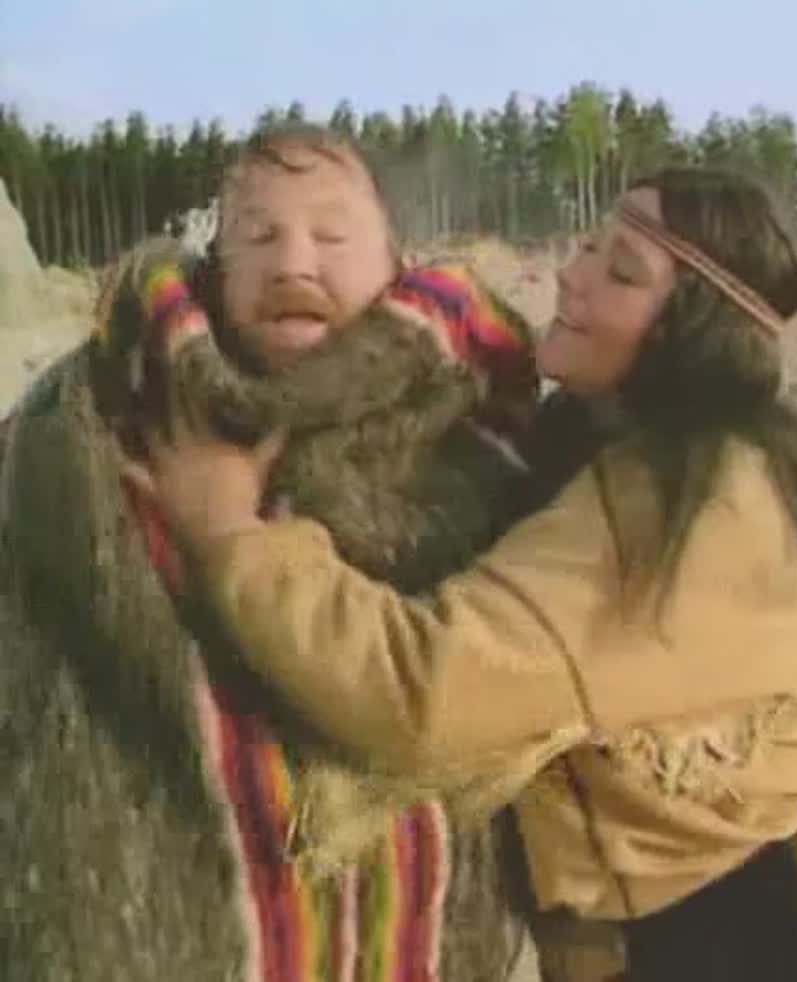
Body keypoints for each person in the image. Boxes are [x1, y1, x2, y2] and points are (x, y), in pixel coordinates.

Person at [130, 167, 797, 982]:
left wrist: (229, 530)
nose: (573, 277)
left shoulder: (693, 502)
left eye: (621, 273)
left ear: (691, 330)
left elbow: (424, 689)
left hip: (765, 936)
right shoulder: (660, 449)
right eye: (589, 249)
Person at [0, 122, 537, 980]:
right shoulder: (100, 411)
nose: (293, 262)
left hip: (413, 929)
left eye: (331, 235)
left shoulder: (474, 429)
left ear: (396, 264)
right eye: (257, 236)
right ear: (216, 266)